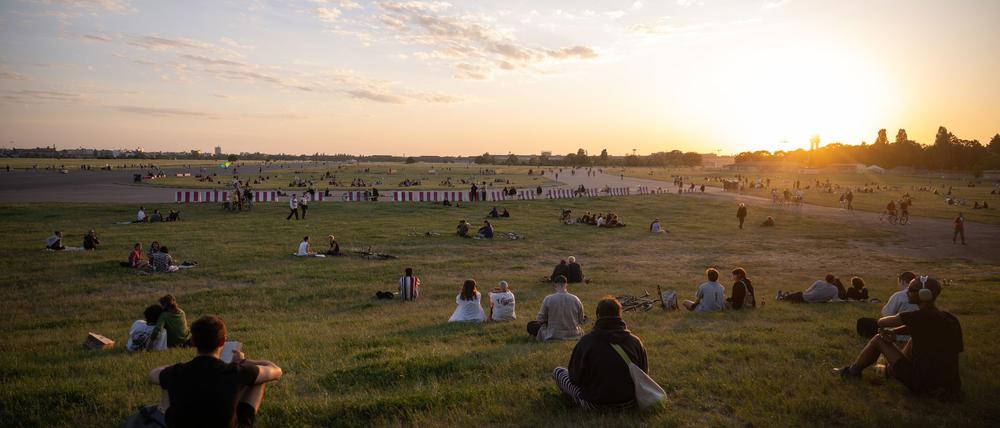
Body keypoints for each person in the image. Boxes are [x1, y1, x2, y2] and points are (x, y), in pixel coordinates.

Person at [835, 277, 963, 401]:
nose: (907, 291)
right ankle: (893, 371)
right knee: (914, 337)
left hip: (923, 385)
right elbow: (918, 328)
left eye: (911, 289)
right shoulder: (949, 318)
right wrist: (895, 332)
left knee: (878, 339)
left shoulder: (916, 316)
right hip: (950, 388)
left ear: (924, 294)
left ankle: (851, 372)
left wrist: (890, 326)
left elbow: (881, 322)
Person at [149, 315, 283, 428]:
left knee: (165, 381)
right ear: (223, 341)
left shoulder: (177, 372)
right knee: (259, 378)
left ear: (194, 341)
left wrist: (180, 367)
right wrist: (243, 362)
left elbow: (154, 373)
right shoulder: (236, 371)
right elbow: (276, 371)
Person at [553, 296, 647, 409]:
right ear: (619, 314)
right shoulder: (635, 341)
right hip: (629, 402)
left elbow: (574, 378)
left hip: (594, 403)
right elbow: (644, 373)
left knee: (559, 372)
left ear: (598, 316)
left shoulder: (586, 342)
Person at [527, 276, 585, 341]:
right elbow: (581, 320)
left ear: (554, 285)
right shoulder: (576, 299)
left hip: (553, 334)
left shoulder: (548, 299)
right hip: (573, 333)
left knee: (531, 325)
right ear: (566, 285)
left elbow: (540, 319)